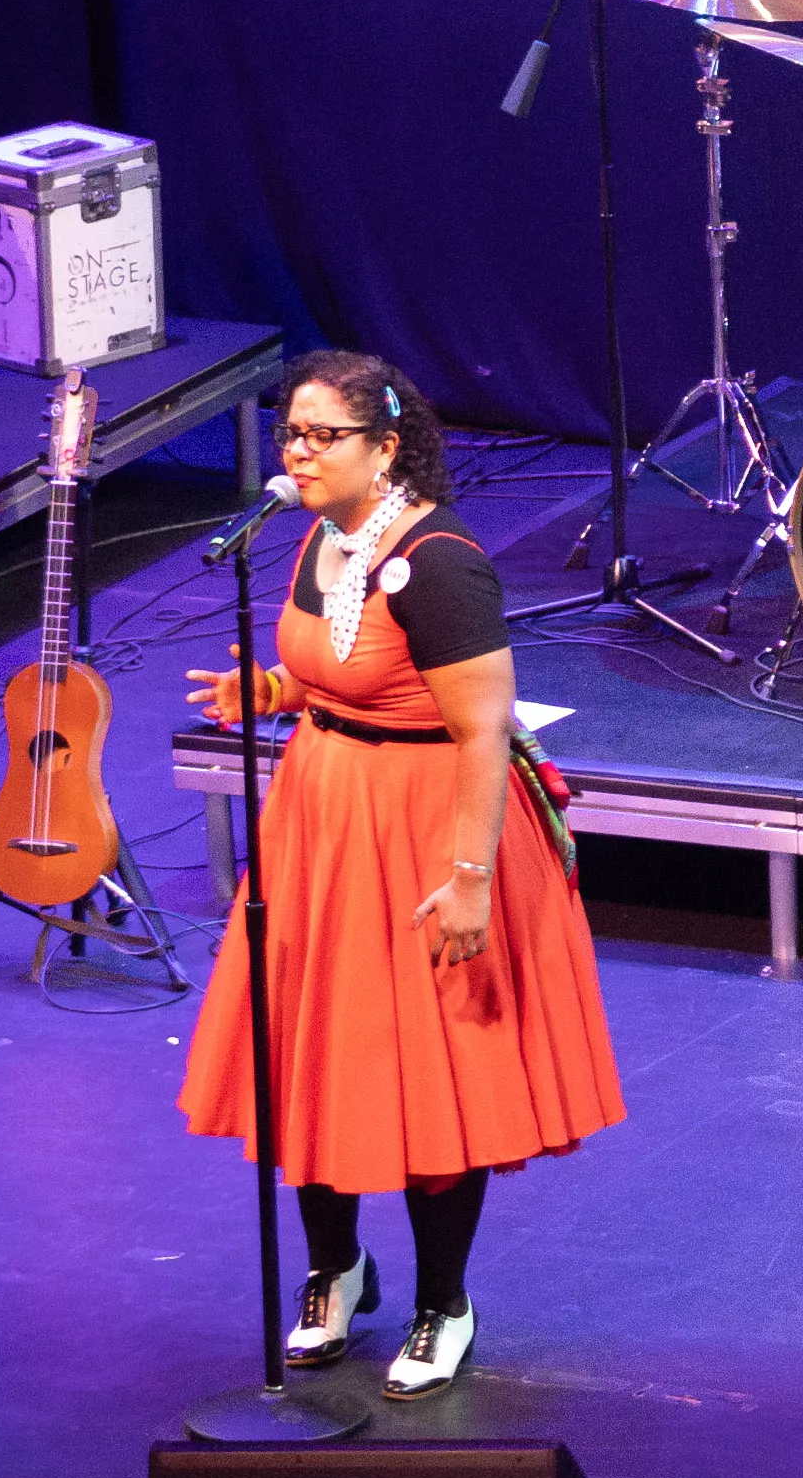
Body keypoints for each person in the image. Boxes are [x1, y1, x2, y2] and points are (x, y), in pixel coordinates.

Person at [179, 354, 622, 1397]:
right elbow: (346, 669)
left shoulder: (442, 560)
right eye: (290, 430)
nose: (296, 451)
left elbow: (478, 729)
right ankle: (335, 1270)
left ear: (386, 448)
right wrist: (276, 686)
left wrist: (470, 876)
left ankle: (442, 1300)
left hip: (430, 829)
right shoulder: (318, 538)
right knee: (311, 1051)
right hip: (321, 820)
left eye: (322, 434)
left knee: (431, 1075)